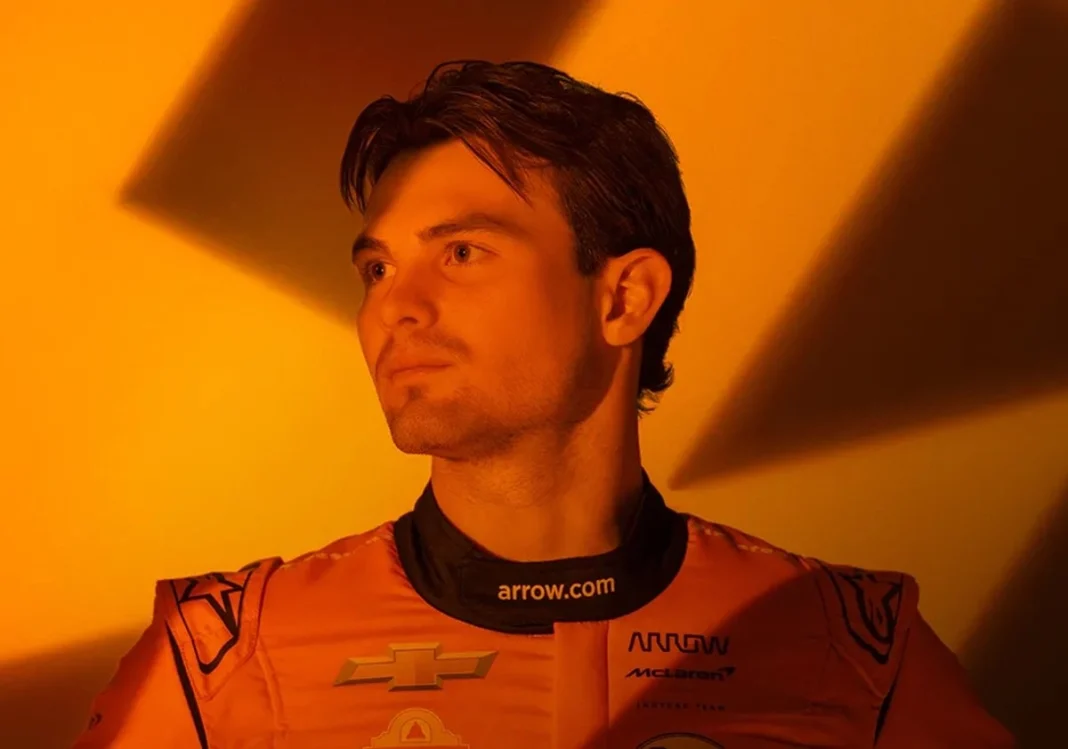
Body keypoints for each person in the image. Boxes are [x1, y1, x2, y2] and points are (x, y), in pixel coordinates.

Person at [72, 60, 1015, 749]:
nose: (395, 307)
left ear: (624, 298)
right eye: (378, 268)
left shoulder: (856, 648)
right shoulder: (220, 657)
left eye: (462, 252)